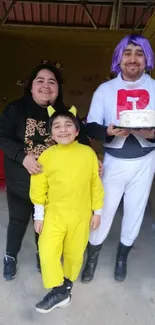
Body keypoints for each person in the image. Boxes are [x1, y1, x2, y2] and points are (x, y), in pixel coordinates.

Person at [0, 63, 90, 281]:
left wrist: (94, 159)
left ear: (58, 88)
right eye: (40, 81)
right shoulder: (15, 109)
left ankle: (44, 255)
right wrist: (23, 157)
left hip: (54, 191)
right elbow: (2, 136)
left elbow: (83, 141)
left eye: (52, 82)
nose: (46, 86)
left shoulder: (66, 114)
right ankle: (10, 256)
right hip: (21, 185)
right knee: (18, 221)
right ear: (31, 87)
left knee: (46, 226)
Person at [81, 34, 155, 283]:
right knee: (103, 209)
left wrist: (152, 133)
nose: (133, 59)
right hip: (114, 160)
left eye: (139, 53)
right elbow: (90, 126)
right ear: (118, 59)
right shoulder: (106, 89)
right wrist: (108, 132)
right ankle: (92, 256)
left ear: (146, 58)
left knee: (135, 211)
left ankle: (122, 257)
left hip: (145, 160)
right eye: (127, 53)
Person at [30, 106, 104, 313]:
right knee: (46, 252)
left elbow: (94, 184)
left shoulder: (88, 153)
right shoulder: (46, 155)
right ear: (51, 133)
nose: (63, 130)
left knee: (74, 253)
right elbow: (39, 187)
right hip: (54, 214)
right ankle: (59, 289)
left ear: (77, 130)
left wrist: (97, 212)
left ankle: (66, 287)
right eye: (57, 126)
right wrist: (39, 215)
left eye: (68, 125)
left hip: (81, 215)